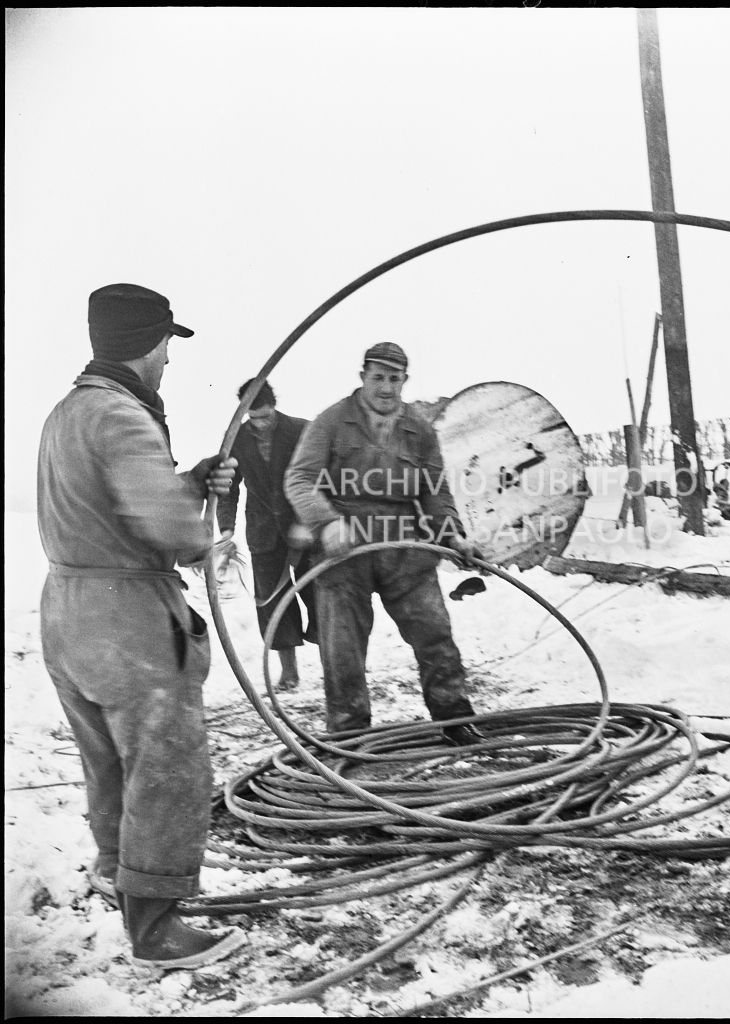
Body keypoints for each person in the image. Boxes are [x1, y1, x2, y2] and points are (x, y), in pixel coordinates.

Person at [37, 283, 245, 969]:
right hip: (127, 618)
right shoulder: (124, 418)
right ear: (149, 345)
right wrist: (198, 524)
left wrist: (189, 479)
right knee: (165, 766)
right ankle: (156, 928)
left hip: (69, 610)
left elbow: (107, 508)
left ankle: (112, 869)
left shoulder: (68, 413)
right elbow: (167, 527)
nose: (169, 363)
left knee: (109, 760)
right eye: (166, 347)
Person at [283, 342, 484, 744]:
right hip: (344, 549)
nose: (386, 388)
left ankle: (454, 716)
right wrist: (327, 523)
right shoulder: (332, 421)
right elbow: (300, 479)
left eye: (395, 379)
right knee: (343, 647)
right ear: (363, 377)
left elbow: (434, 490)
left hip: (404, 545)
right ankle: (349, 734)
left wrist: (453, 535)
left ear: (405, 381)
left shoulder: (419, 428)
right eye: (378, 378)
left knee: (433, 629)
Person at [216, 378, 317, 690]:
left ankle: (336, 664)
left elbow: (322, 478)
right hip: (263, 534)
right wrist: (227, 529)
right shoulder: (236, 438)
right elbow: (227, 488)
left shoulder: (302, 431)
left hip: (304, 529)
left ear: (274, 406)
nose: (259, 424)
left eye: (265, 416)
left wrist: (308, 521)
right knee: (272, 603)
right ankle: (289, 674)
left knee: (319, 595)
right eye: (253, 418)